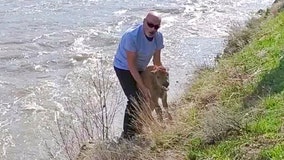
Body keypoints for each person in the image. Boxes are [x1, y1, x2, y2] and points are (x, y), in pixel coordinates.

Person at [113, 11, 165, 140]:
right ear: (144, 22)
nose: (153, 28)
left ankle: (140, 126)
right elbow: (131, 65)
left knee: (149, 96)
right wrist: (142, 85)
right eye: (150, 24)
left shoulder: (158, 37)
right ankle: (127, 135)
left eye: (156, 26)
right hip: (124, 67)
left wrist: (162, 73)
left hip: (141, 67)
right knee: (135, 98)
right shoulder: (131, 36)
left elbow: (157, 61)